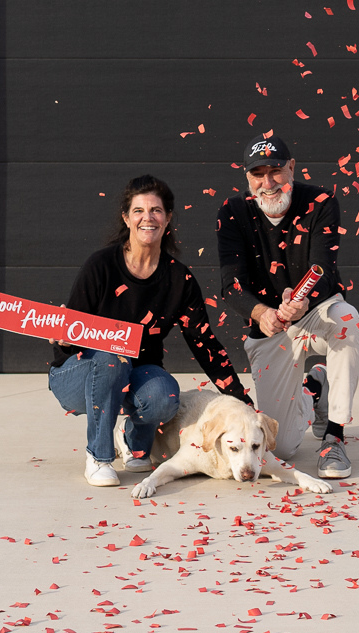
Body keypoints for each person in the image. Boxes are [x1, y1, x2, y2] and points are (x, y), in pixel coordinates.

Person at [50, 174, 254, 487]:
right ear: (126, 218)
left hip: (134, 373)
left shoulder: (178, 280)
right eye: (139, 211)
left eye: (156, 210)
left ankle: (132, 439)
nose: (148, 218)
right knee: (111, 357)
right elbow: (68, 335)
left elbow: (204, 344)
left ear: (168, 217)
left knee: (165, 395)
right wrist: (63, 341)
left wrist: (243, 404)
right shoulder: (101, 266)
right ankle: (99, 456)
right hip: (78, 373)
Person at [215, 136, 359, 479]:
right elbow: (230, 285)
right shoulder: (232, 212)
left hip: (315, 312)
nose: (268, 183)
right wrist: (262, 313)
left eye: (276, 171)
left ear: (292, 168)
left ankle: (335, 437)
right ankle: (315, 389)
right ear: (247, 177)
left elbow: (323, 268)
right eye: (258, 174)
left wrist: (304, 301)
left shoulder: (322, 202)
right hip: (269, 326)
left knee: (347, 322)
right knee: (280, 446)